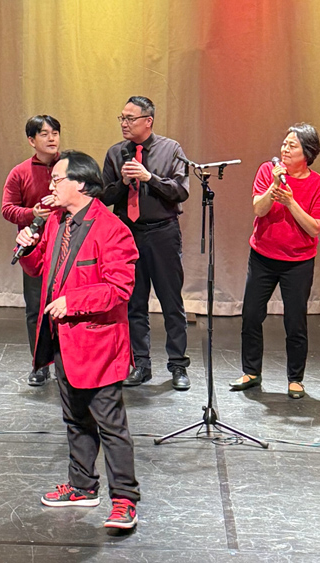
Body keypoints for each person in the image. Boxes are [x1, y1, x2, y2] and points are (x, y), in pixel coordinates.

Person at [17, 150, 141, 530]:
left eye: (58, 179)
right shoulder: (57, 221)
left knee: (110, 424)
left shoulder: (112, 229)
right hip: (64, 340)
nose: (51, 185)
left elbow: (119, 288)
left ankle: (125, 500)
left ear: (82, 184)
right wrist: (28, 247)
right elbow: (41, 266)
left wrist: (73, 302)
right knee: (75, 418)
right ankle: (82, 486)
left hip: (99, 344)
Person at [230, 124, 320, 399]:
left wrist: (291, 202)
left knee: (295, 322)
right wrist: (275, 185)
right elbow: (258, 208)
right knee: (251, 315)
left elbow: (314, 228)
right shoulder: (268, 170)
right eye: (284, 143)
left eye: (292, 145)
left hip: (298, 262)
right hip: (262, 256)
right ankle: (251, 372)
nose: (285, 149)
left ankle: (295, 378)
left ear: (307, 153)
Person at [100, 96, 191, 390]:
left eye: (130, 118)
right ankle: (140, 364)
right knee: (134, 302)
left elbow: (180, 191)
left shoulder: (171, 149)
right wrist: (123, 183)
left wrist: (149, 177)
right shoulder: (116, 153)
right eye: (122, 118)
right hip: (127, 233)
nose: (124, 124)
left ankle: (178, 365)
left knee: (171, 301)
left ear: (148, 121)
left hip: (163, 233)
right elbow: (103, 197)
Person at [2, 115, 60, 386]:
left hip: (68, 245)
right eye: (44, 134)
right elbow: (7, 209)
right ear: (31, 140)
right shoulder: (20, 172)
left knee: (67, 306)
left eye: (55, 133)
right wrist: (31, 213)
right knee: (36, 309)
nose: (51, 138)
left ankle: (67, 363)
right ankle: (39, 364)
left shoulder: (70, 166)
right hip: (35, 250)